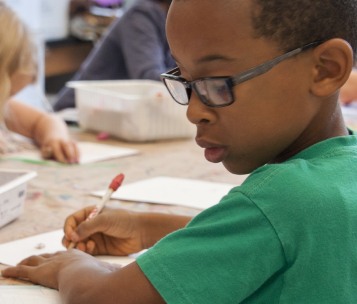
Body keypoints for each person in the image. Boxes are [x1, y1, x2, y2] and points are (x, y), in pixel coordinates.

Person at [3, 0, 357, 303]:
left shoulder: (282, 199)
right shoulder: (340, 172)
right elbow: (269, 237)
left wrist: (72, 266)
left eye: (217, 84)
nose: (193, 111)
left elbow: (106, 297)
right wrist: (145, 228)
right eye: (185, 82)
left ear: (326, 69)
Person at [52, 0, 174, 111]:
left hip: (119, 115)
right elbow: (149, 79)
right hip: (75, 114)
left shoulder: (170, 20)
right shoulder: (140, 15)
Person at [0, 3, 79, 163]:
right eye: (8, 93)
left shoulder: (6, 109)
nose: (6, 102)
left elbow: (44, 120)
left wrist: (55, 138)